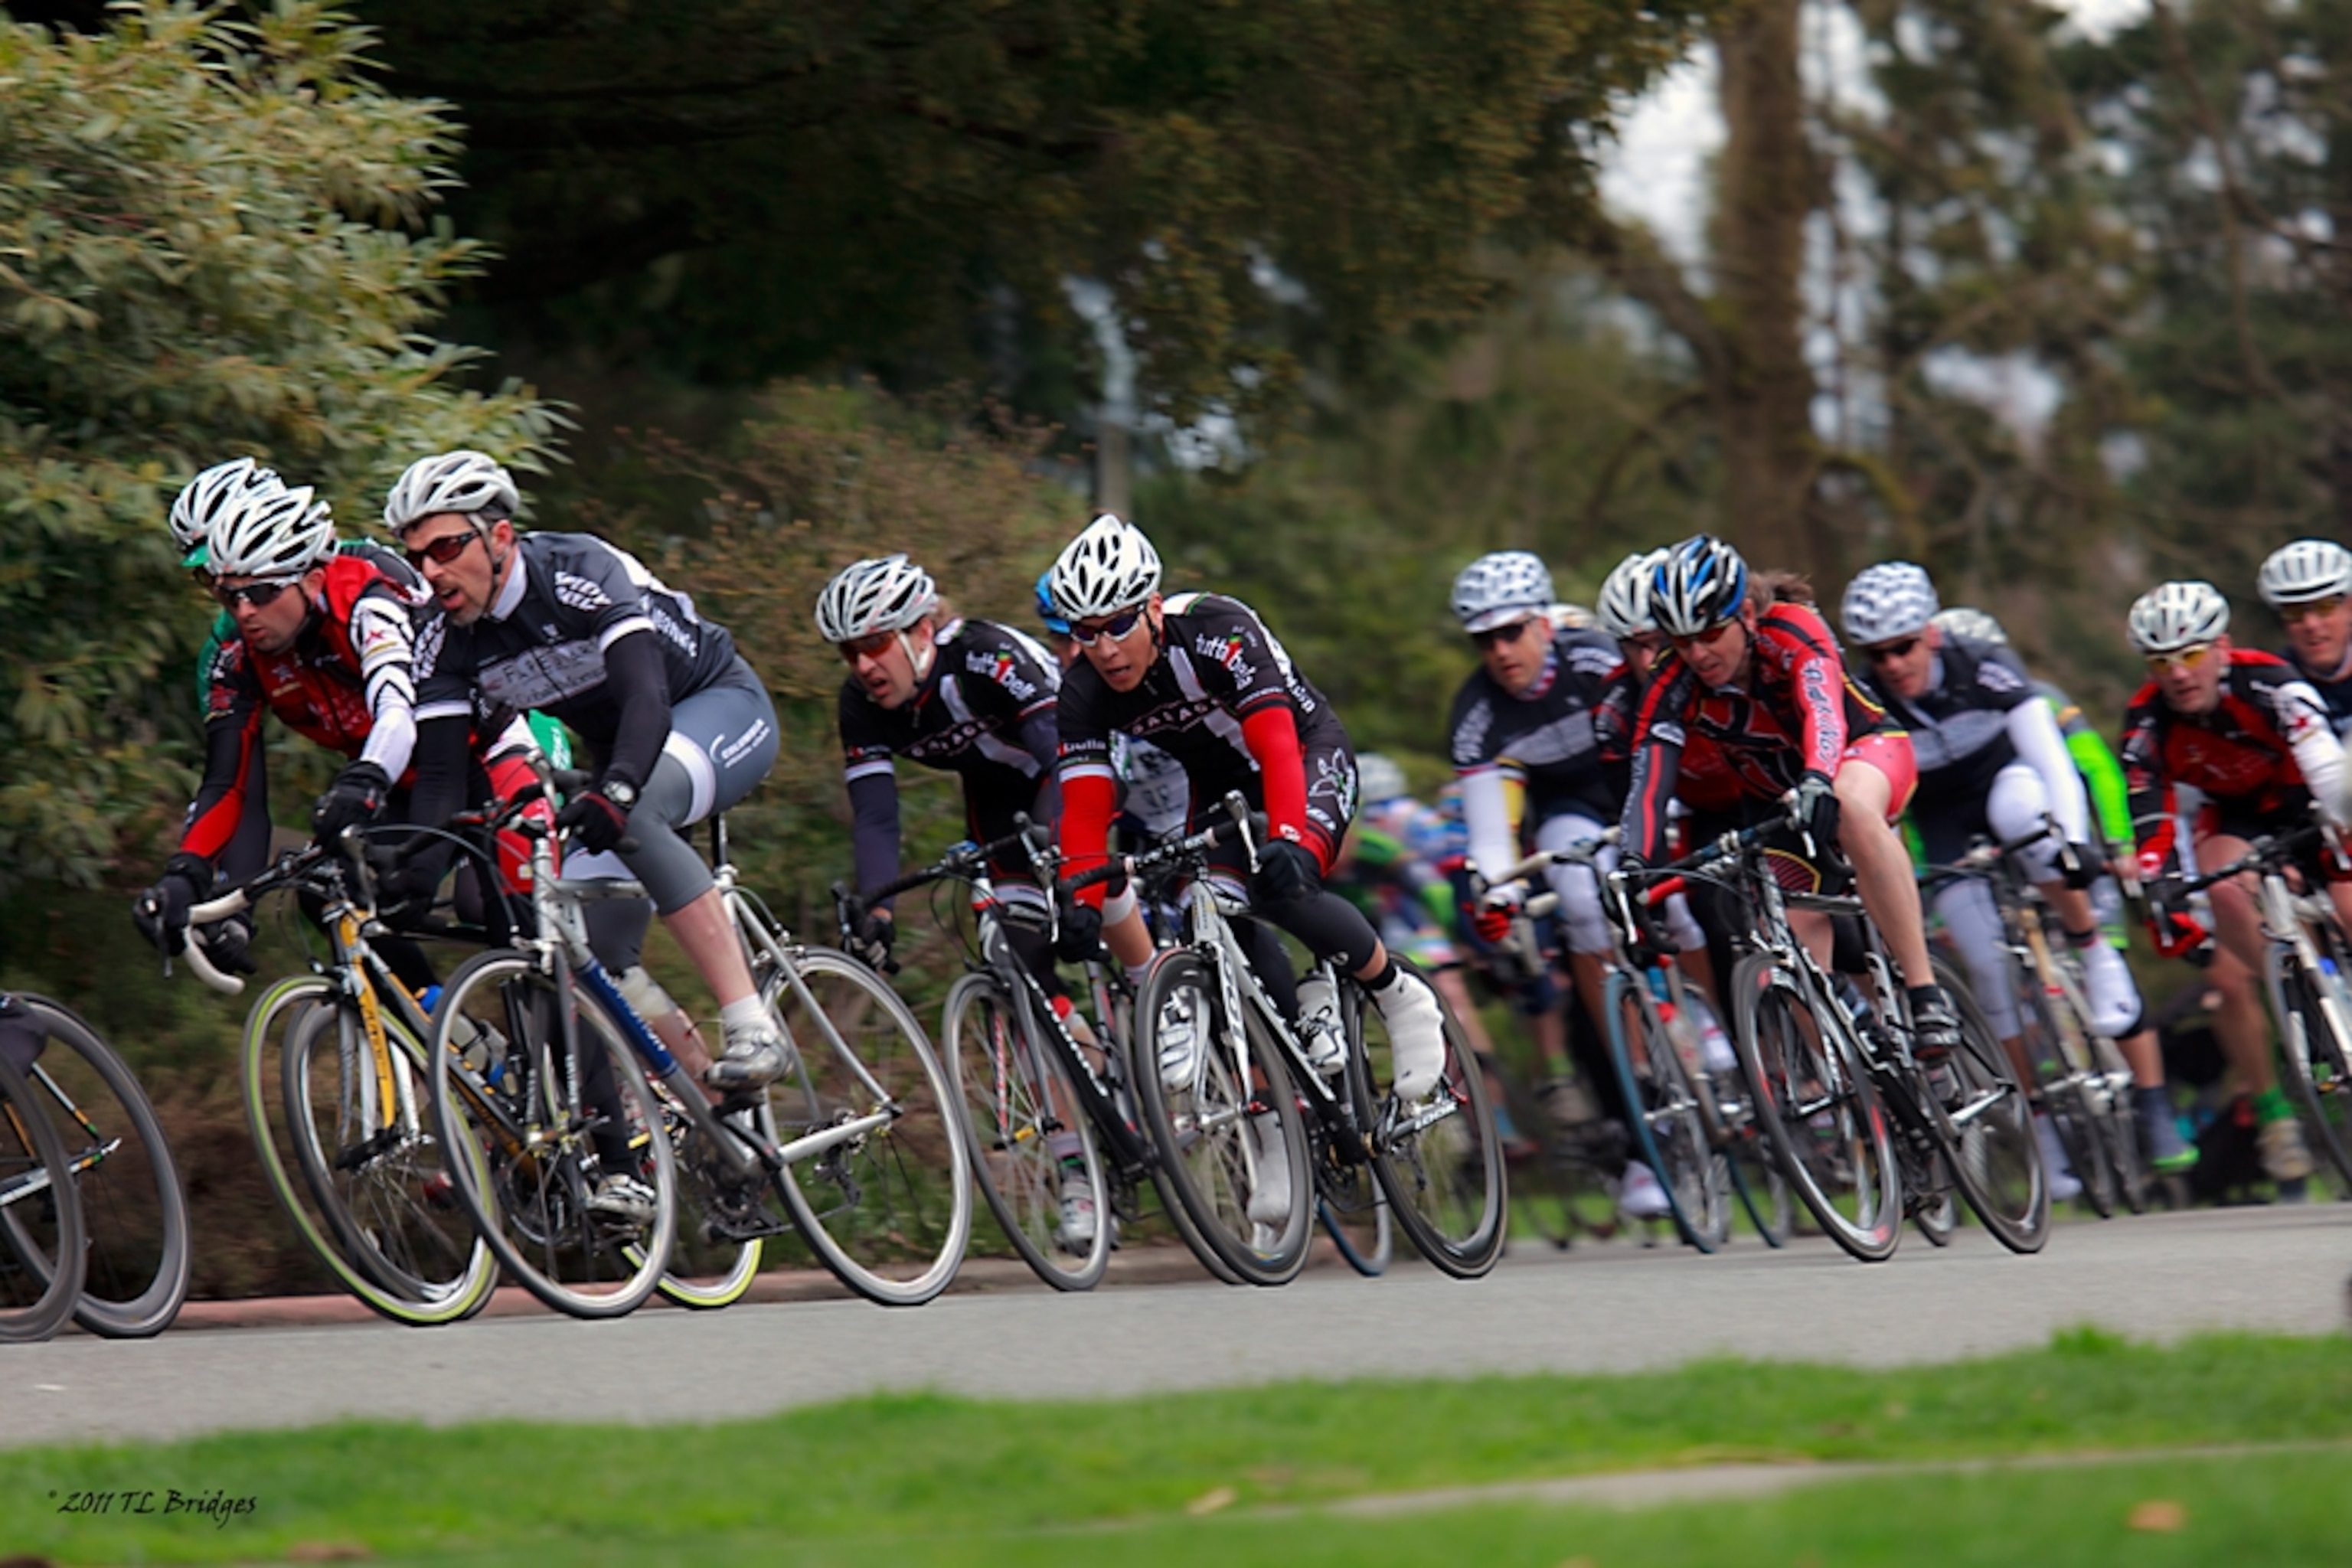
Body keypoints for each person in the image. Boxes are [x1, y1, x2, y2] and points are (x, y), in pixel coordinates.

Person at [1045, 514, 1447, 1241]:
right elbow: (1084, 807)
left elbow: (1276, 741)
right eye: (1085, 631)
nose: (1102, 648)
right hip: (1219, 786)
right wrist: (1077, 890)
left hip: (1303, 754)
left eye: (1116, 625)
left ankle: (1400, 994)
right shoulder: (1082, 688)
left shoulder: (1218, 628)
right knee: (1208, 904)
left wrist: (1291, 834)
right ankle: (1286, 1094)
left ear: (1153, 605)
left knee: (1284, 880)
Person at [385, 450, 787, 1124]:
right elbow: (445, 778)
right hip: (622, 753)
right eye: (417, 554)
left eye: (447, 547)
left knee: (633, 819)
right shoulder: (444, 639)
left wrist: (622, 790)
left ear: (500, 537)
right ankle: (718, 1109)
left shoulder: (575, 571)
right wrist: (415, 878)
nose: (431, 571)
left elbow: (647, 698)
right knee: (584, 951)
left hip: (712, 706)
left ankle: (753, 1027)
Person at [1843, 564, 2193, 1181]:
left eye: (1903, 647)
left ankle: (2092, 949)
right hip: (1944, 819)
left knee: (2020, 811)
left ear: (1929, 634)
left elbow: (2053, 757)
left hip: (2008, 784)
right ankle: (2042, 1133)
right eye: (1877, 654)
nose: (1893, 664)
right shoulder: (1866, 698)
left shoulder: (1983, 662)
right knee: (1984, 961)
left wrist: (2079, 842)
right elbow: (1881, 808)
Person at [819, 554, 1106, 1245]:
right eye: (849, 651)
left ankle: (1161, 1010)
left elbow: (1059, 753)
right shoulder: (861, 706)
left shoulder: (984, 656)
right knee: (1012, 960)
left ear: (922, 630)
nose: (863, 665)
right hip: (999, 806)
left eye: (875, 644)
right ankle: (1078, 1168)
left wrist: (1066, 858)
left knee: (1090, 905)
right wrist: (877, 909)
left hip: (1077, 769)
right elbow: (879, 818)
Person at [1619, 535, 1966, 1055]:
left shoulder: (1791, 629)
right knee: (1785, 937)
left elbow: (1824, 712)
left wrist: (1818, 780)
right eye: (1682, 640)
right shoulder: (1672, 679)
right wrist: (1634, 866)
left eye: (1712, 632)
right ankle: (1862, 1092)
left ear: (1749, 616)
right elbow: (1649, 780)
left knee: (1849, 807)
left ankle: (1924, 993)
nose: (1698, 653)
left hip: (1860, 752)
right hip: (1777, 797)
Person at [2119, 580, 2352, 1184]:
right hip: (2239, 816)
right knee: (2225, 886)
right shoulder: (2146, 720)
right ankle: (2296, 984)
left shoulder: (2271, 682)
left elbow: (2326, 763)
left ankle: (2330, 965)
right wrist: (2159, 887)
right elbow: (2150, 815)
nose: (2178, 674)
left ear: (2221, 647)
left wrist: (2338, 829)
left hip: (2311, 802)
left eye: (2192, 655)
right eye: (2162, 662)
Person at [2256, 540, 2352, 734]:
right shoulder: (2270, 688)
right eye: (2294, 613)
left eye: (2325, 607)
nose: (2311, 624)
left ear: (2350, 608)